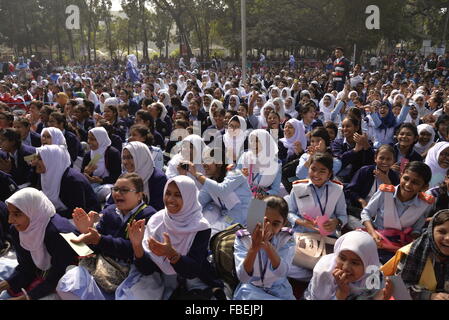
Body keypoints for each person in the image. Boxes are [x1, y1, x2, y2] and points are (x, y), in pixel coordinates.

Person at [56, 173, 157, 300]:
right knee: (66, 285)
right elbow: (96, 247)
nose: (117, 193)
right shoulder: (110, 212)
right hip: (103, 267)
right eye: (115, 189)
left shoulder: (148, 215)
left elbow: (133, 250)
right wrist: (87, 232)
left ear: (139, 195)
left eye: (124, 190)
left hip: (134, 272)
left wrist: (99, 239)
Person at [122, 176, 223, 300]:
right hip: (160, 280)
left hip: (193, 281)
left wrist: (171, 254)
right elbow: (147, 269)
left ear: (189, 197)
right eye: (168, 193)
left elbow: (192, 270)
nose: (170, 199)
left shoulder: (200, 227)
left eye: (178, 195)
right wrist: (137, 247)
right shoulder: (157, 221)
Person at [0, 188, 79, 300]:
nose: (10, 220)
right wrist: (4, 285)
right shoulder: (17, 230)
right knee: (4, 294)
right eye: (10, 214)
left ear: (32, 211)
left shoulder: (58, 232)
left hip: (67, 279)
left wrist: (26, 297)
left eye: (16, 214)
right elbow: (26, 267)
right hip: (45, 275)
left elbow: (59, 275)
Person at [360, 161, 434, 264]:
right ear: (401, 175)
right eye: (406, 178)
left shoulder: (424, 204)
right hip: (376, 239)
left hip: (399, 247)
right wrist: (372, 233)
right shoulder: (385, 192)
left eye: (415, 183)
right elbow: (366, 213)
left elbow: (417, 229)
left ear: (424, 187)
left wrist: (412, 241)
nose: (408, 185)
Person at [233, 196, 296, 300]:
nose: (268, 228)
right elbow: (243, 277)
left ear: (283, 224)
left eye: (275, 224)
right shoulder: (243, 238)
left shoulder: (287, 237)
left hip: (279, 289)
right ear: (256, 218)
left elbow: (282, 272)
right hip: (252, 289)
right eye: (264, 221)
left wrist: (267, 246)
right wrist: (254, 248)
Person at [179, 147, 252, 235]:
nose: (203, 164)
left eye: (207, 160)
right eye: (203, 161)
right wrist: (183, 176)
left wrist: (196, 174)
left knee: (212, 233)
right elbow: (198, 202)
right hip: (227, 217)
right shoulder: (211, 182)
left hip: (246, 218)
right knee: (202, 217)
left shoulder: (235, 174)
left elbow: (222, 190)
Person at [381, 210, 449, 300]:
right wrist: (429, 296)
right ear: (431, 231)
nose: (448, 238)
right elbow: (400, 287)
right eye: (442, 232)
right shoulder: (413, 253)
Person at [305, 230, 391, 300]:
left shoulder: (373, 272)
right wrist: (342, 293)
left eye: (354, 263)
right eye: (342, 258)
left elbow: (375, 295)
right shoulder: (324, 272)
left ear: (368, 264)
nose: (345, 267)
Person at [33, 145, 100, 219]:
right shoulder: (46, 175)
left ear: (51, 161)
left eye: (40, 159)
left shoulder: (72, 180)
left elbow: (78, 211)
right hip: (63, 214)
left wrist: (50, 215)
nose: (35, 162)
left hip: (86, 217)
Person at [288, 152, 347, 236]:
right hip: (302, 232)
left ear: (329, 174)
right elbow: (290, 212)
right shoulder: (298, 187)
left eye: (322, 171)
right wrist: (302, 222)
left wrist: (336, 222)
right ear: (308, 169)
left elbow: (343, 215)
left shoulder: (337, 189)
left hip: (327, 234)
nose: (316, 174)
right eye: (313, 169)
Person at [345, 145, 399, 218]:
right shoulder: (365, 171)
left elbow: (397, 200)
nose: (384, 162)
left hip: (382, 214)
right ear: (375, 158)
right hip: (360, 210)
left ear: (393, 161)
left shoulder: (394, 177)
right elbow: (349, 191)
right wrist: (361, 201)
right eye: (381, 158)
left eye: (388, 159)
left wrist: (388, 183)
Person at [121, 142, 167, 211]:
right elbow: (111, 203)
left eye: (130, 157)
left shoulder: (158, 178)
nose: (125, 162)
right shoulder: (124, 176)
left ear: (141, 157)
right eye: (124, 158)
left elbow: (157, 208)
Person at [238, 129, 282, 199]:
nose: (254, 144)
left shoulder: (275, 164)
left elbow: (275, 190)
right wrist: (240, 175)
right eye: (251, 141)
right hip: (243, 195)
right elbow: (234, 180)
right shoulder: (244, 157)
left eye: (257, 141)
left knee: (258, 208)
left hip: (263, 199)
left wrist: (265, 194)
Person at [81, 127, 121, 203]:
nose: (89, 142)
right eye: (88, 138)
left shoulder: (112, 153)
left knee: (107, 190)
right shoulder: (88, 155)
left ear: (101, 139)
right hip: (93, 185)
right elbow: (82, 176)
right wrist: (86, 174)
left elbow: (117, 176)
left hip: (108, 184)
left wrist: (101, 180)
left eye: (93, 139)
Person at [332, 117, 375, 184]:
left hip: (360, 181)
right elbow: (339, 162)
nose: (344, 129)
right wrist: (355, 150)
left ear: (357, 128)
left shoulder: (365, 142)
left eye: (348, 126)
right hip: (340, 181)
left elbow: (371, 163)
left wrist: (366, 146)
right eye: (343, 126)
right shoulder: (337, 143)